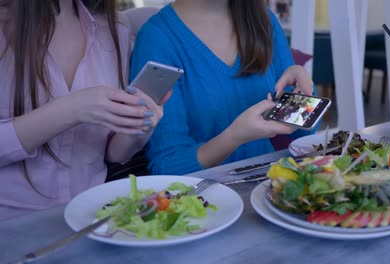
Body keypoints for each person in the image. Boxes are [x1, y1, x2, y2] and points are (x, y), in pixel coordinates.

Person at [0, 0, 168, 220]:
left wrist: (138, 128)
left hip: (91, 218)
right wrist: (73, 109)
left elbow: (113, 153)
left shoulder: (115, 30)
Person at [130, 0, 317, 175]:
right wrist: (234, 137)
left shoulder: (265, 21)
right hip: (203, 200)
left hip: (269, 185)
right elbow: (167, 166)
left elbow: (301, 131)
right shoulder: (156, 39)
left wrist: (304, 93)